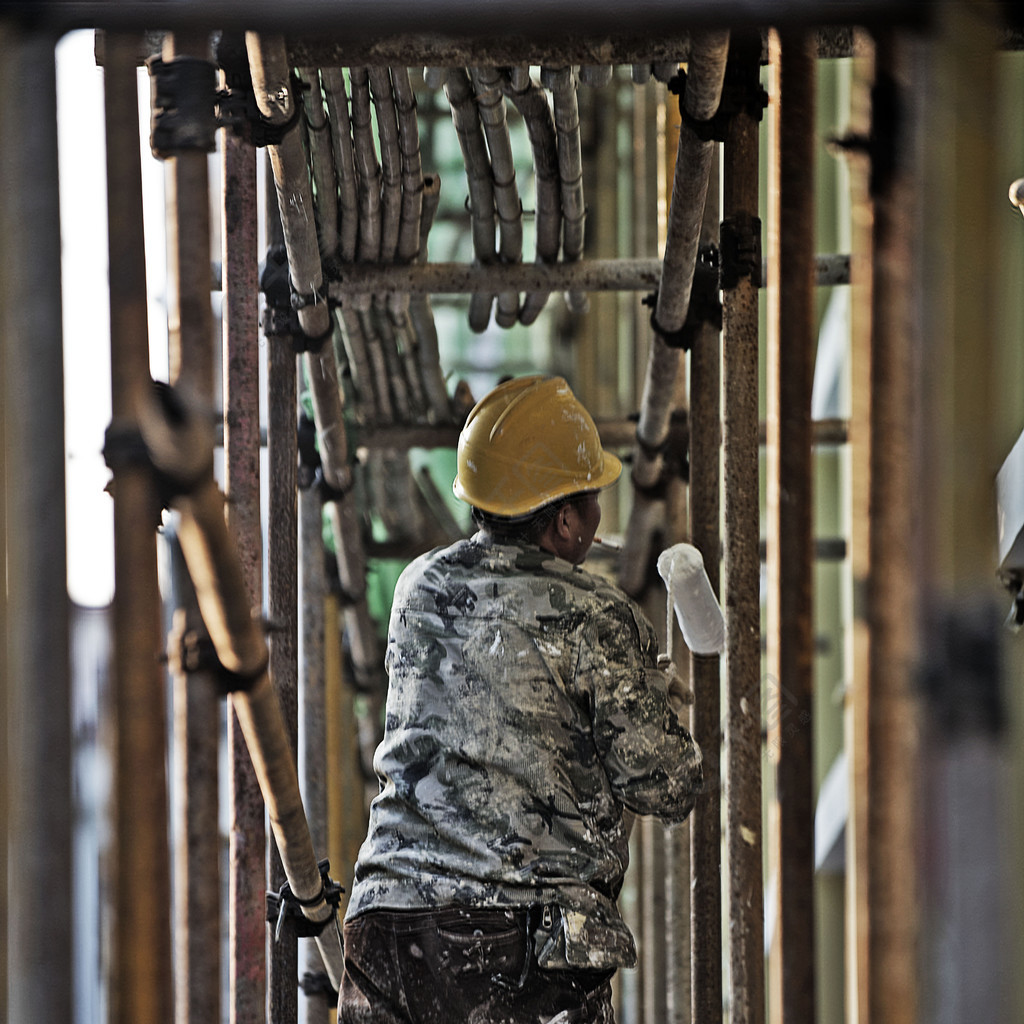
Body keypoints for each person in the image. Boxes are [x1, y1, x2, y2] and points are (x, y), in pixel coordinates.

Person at [338, 375, 703, 1024]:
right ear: (564, 518)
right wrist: (661, 704)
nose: (596, 524)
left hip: (389, 927)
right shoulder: (593, 612)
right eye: (591, 505)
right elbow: (665, 786)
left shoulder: (418, 587)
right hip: (514, 942)